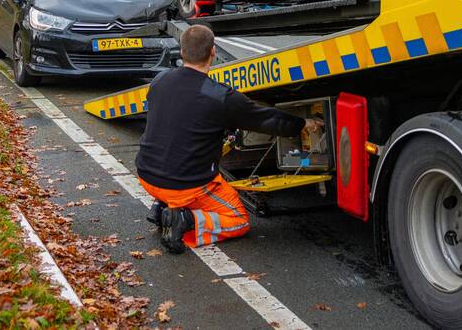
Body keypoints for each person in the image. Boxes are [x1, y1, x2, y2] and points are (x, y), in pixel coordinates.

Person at [135, 25, 322, 253]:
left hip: (146, 175)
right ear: (212, 52)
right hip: (185, 186)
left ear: (182, 52)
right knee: (238, 219)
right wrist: (304, 124)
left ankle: (162, 206)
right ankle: (185, 219)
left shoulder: (160, 81)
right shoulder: (221, 96)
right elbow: (266, 120)